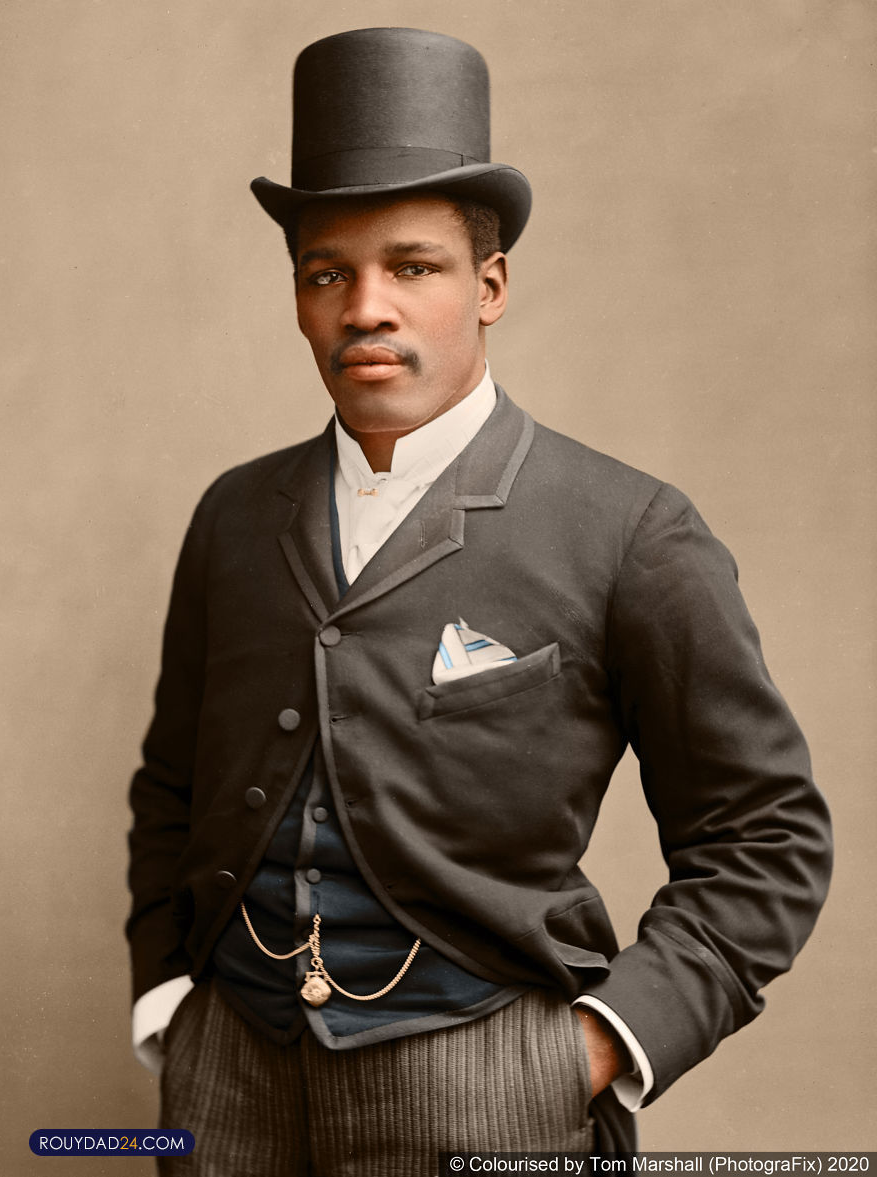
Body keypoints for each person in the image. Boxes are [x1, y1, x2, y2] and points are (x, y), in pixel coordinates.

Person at [126, 27, 832, 1176]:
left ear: (489, 285)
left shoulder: (628, 528)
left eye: (413, 267)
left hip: (488, 1085)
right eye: (327, 273)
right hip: (224, 1082)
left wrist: (598, 1046)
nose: (366, 307)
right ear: (298, 296)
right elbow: (171, 786)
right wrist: (168, 996)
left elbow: (766, 834)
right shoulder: (234, 516)